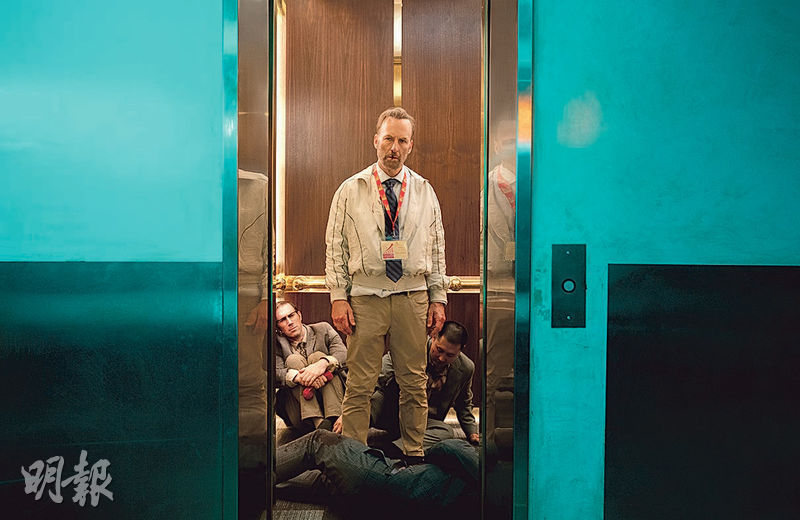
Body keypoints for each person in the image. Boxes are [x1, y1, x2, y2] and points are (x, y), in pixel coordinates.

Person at [325, 107, 448, 460]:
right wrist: (338, 296)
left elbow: (437, 246)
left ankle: (413, 454)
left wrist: (438, 297)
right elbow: (335, 245)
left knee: (414, 383)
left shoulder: (423, 190)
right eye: (389, 139)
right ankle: (353, 459)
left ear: (411, 145)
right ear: (376, 140)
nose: (394, 148)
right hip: (365, 297)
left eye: (402, 141)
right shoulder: (351, 189)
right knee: (359, 384)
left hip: (412, 295)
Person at [275, 429, 478, 519]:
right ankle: (264, 485)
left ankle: (256, 470)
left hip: (385, 482)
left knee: (318, 442)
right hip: (382, 510)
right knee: (328, 480)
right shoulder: (489, 505)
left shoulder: (486, 471)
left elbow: (446, 448)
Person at [371, 321, 480, 451]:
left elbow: (463, 403)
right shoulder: (413, 348)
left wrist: (472, 432)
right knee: (375, 399)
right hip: (393, 410)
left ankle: (396, 449)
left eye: (450, 355)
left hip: (424, 421)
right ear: (434, 337)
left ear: (460, 351)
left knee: (446, 431)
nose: (442, 358)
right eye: (439, 350)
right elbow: (379, 376)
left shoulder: (466, 368)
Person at [275, 301, 347, 432]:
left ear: (300, 315)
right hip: (300, 413)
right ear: (278, 327)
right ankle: (318, 422)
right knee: (293, 360)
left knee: (318, 357)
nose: (289, 322)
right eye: (282, 320)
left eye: (291, 315)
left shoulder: (323, 329)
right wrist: (299, 377)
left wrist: (322, 364)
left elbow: (343, 353)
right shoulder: (277, 343)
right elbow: (276, 373)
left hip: (334, 400)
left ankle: (332, 420)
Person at [238, 169, 269, 438]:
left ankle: (253, 449)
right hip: (201, 291)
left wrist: (265, 300)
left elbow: (270, 249)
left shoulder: (258, 186)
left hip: (247, 293)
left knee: (248, 378)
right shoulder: (196, 181)